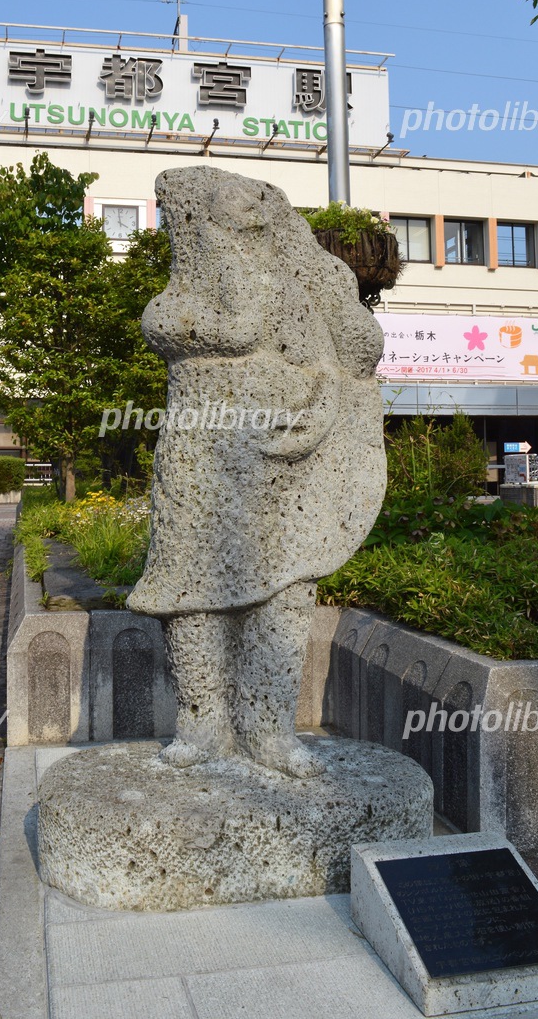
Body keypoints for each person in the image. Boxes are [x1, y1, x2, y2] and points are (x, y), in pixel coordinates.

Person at [128, 167, 386, 778]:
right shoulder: (180, 299)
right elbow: (210, 324)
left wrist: (322, 394)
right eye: (231, 210)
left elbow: (353, 350)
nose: (248, 219)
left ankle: (270, 729)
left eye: (258, 210)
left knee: (287, 590)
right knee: (189, 593)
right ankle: (201, 724)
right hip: (200, 462)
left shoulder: (296, 282)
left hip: (285, 459)